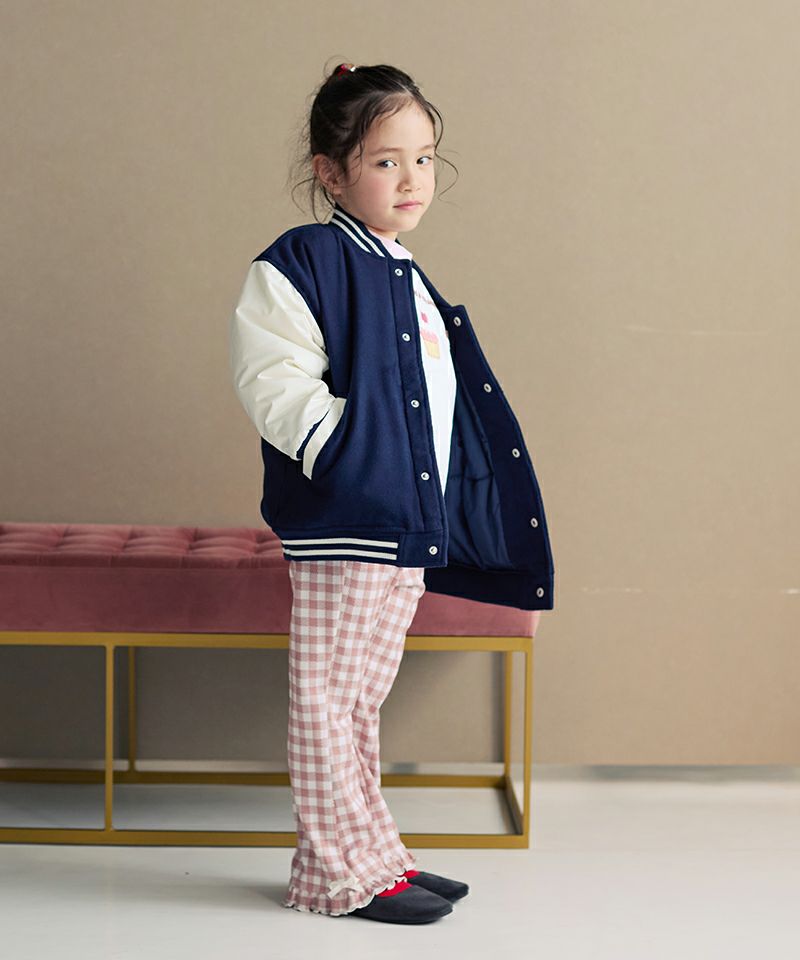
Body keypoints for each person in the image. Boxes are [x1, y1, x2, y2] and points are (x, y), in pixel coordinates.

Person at [229, 62, 555, 924]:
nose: (412, 179)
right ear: (331, 172)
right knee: (327, 701)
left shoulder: (403, 270)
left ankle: (376, 857)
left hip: (403, 526)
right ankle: (337, 878)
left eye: (424, 158)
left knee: (360, 703)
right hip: (349, 521)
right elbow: (273, 381)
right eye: (385, 161)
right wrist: (347, 459)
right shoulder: (305, 261)